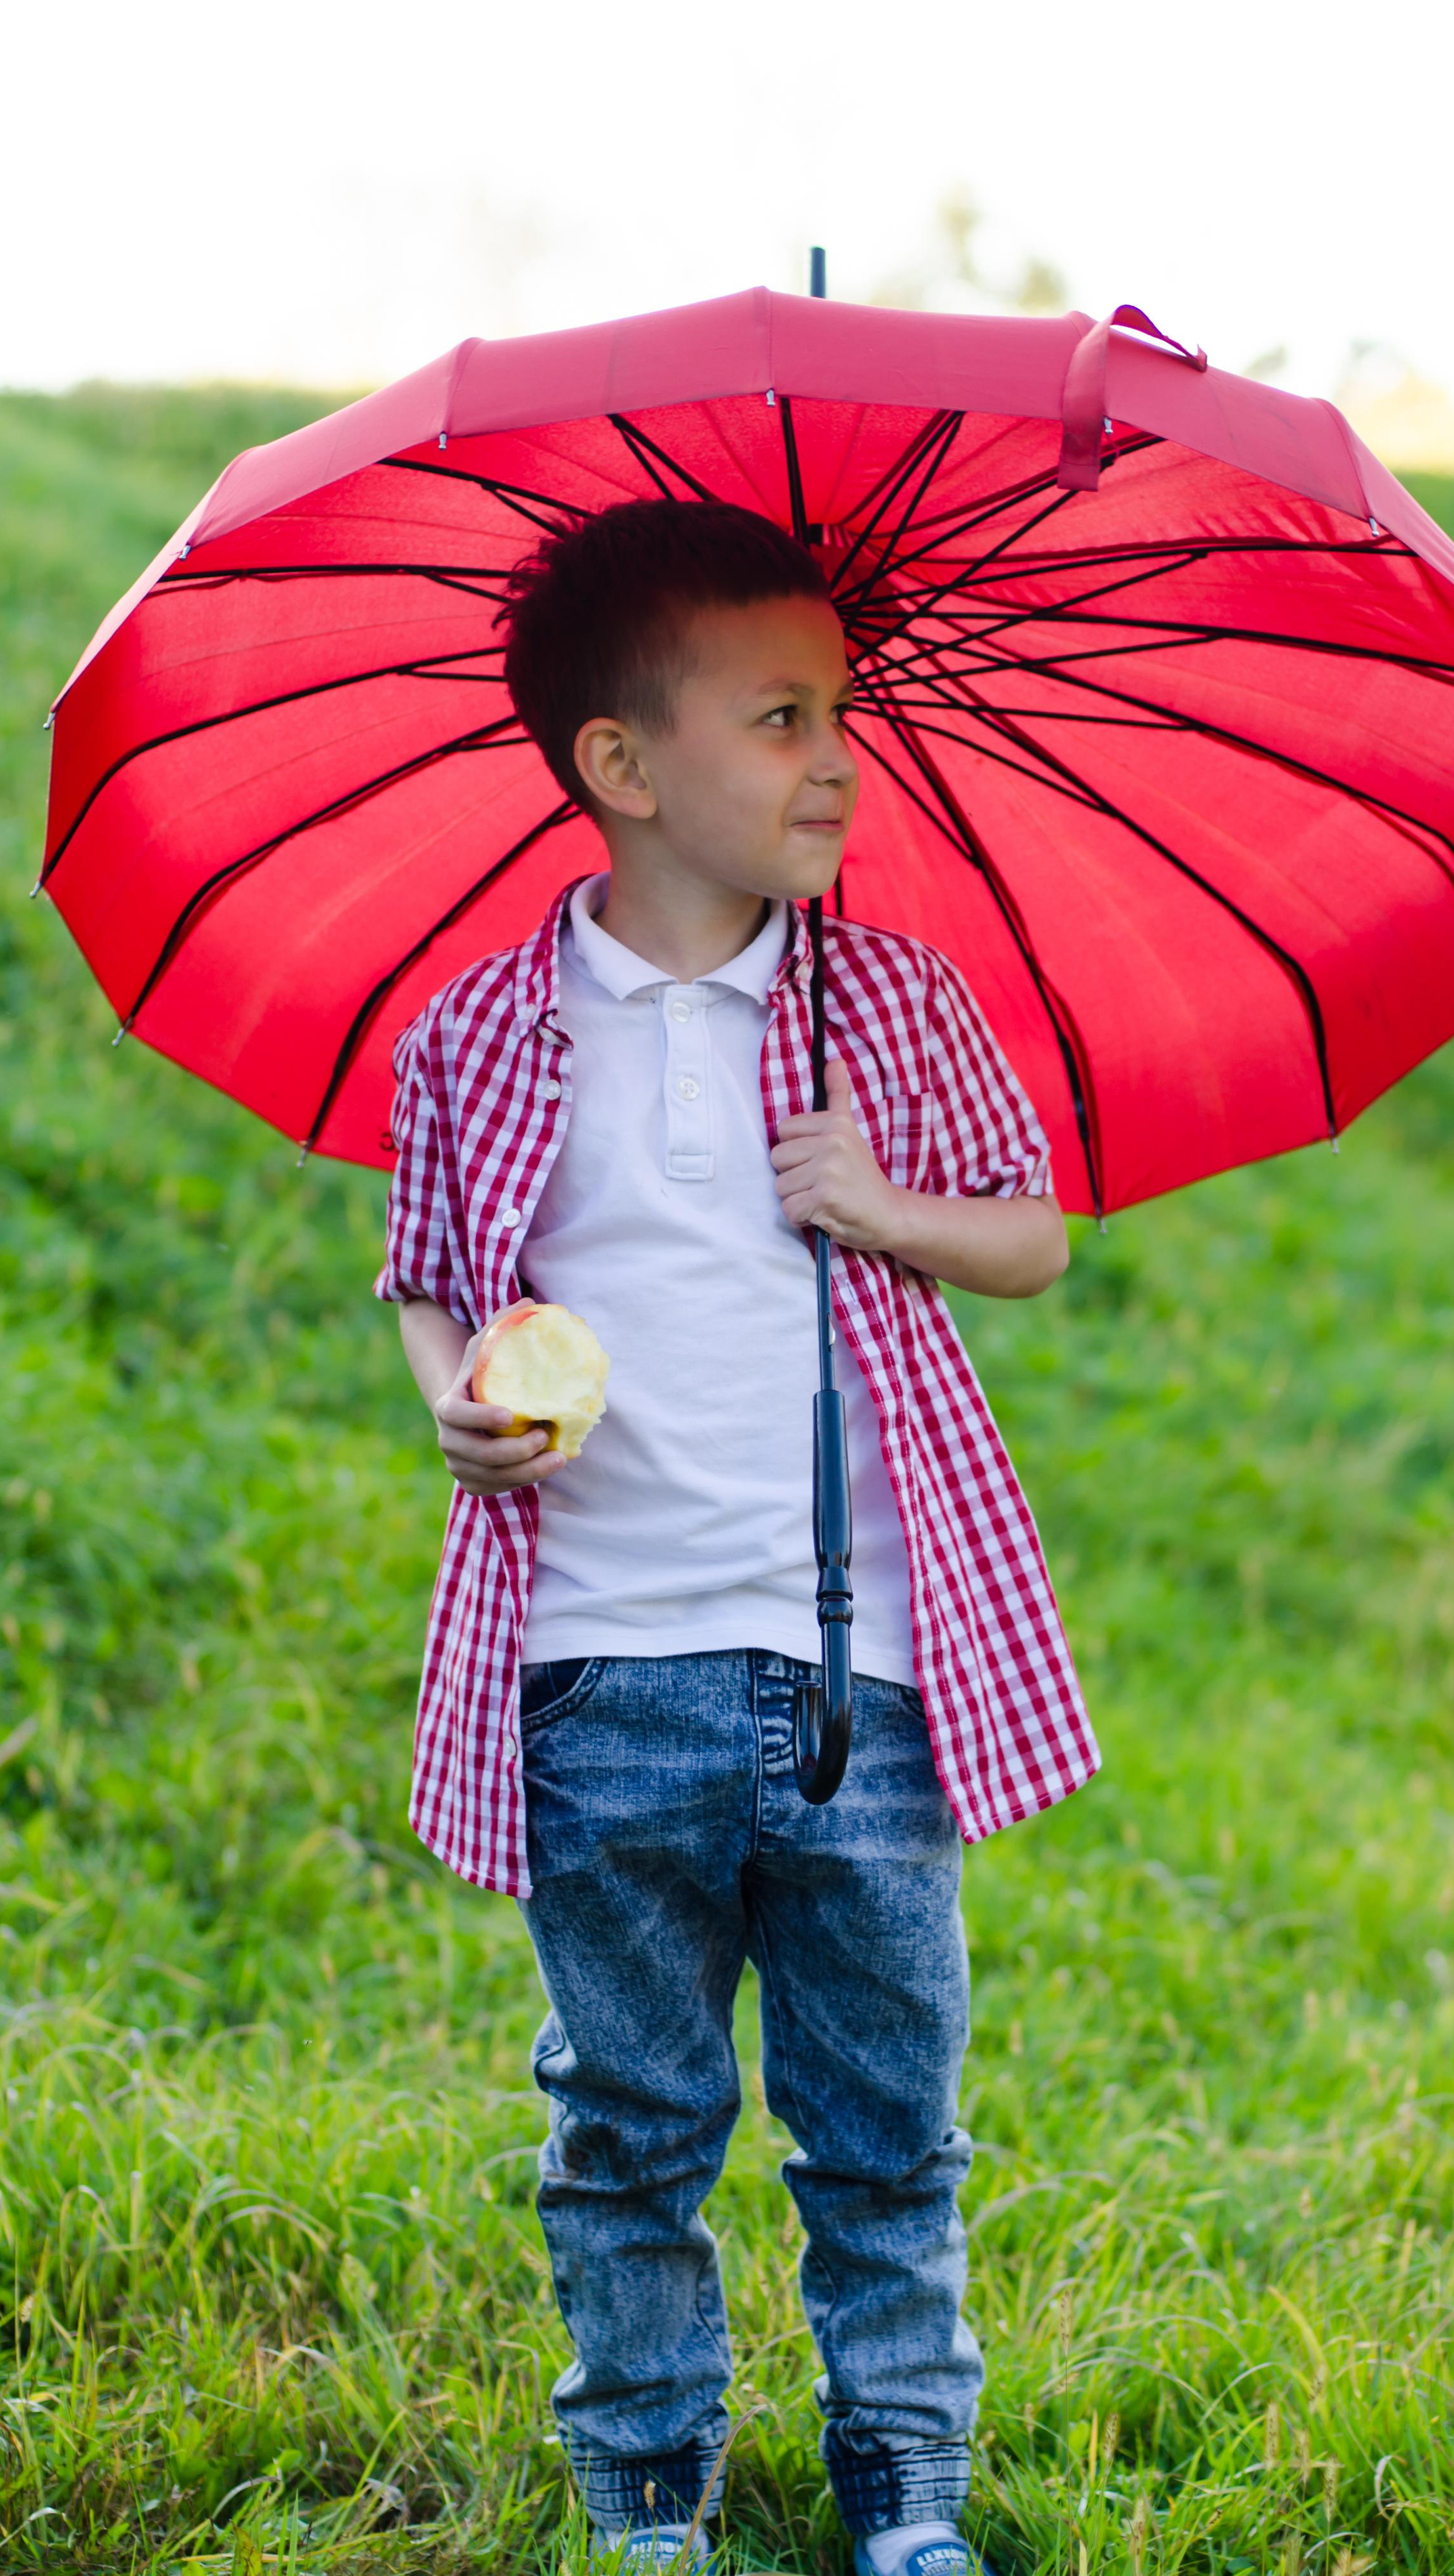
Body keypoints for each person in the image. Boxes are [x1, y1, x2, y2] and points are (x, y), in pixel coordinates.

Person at [380, 498, 1098, 2575]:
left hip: (858, 1672)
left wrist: (880, 1202)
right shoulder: (487, 1033)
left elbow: (1033, 1236)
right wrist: (453, 1387)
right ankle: (652, 2497)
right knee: (630, 2123)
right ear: (623, 765)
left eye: (843, 710)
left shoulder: (895, 1005)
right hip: (594, 1666)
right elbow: (427, 1269)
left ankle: (907, 2490)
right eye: (781, 716)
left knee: (886, 2127)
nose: (837, 759)